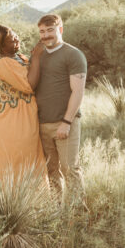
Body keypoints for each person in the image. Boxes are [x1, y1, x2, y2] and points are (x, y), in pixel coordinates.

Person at [27, 13, 87, 197]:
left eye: (50, 30)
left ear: (60, 29)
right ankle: (57, 210)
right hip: (41, 123)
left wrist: (66, 122)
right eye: (42, 31)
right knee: (50, 170)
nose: (45, 35)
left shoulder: (73, 54)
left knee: (69, 168)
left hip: (64, 122)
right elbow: (25, 81)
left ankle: (78, 211)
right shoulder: (38, 56)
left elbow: (78, 92)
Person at [0, 25, 47, 181]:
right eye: (12, 40)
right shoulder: (4, 63)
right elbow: (29, 86)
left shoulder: (18, 57)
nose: (17, 40)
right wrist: (36, 57)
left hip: (24, 115)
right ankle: (12, 195)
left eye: (16, 36)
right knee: (17, 157)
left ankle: (28, 196)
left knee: (28, 157)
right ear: (2, 46)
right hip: (14, 119)